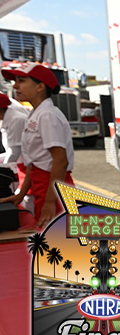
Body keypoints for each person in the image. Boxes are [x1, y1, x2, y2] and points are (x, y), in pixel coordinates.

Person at [0, 63, 75, 228]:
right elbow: (33, 163)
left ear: (40, 86)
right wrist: (22, 193)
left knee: (56, 239)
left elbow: (60, 161)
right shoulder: (36, 114)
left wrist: (50, 201)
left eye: (21, 80)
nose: (15, 85)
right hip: (43, 185)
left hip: (53, 187)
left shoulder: (47, 115)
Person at [0, 93, 28, 165]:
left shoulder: (17, 120)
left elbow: (14, 152)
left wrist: (4, 169)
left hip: (27, 166)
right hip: (19, 163)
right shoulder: (4, 120)